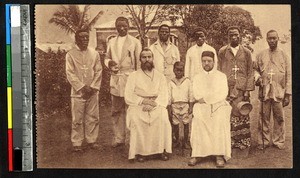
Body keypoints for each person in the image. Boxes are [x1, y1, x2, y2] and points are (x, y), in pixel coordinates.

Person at [124, 48, 172, 162]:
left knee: (162, 117)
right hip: (139, 104)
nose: (147, 59)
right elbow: (128, 95)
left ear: (153, 58)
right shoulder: (133, 76)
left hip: (156, 104)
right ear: (140, 59)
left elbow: (164, 93)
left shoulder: (160, 76)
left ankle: (160, 150)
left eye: (149, 57)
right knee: (137, 118)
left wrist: (154, 104)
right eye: (144, 57)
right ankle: (141, 152)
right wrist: (143, 101)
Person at [188, 51, 231, 167]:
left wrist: (207, 98)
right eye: (204, 61)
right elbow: (197, 94)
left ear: (214, 61)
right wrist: (208, 98)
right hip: (202, 106)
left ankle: (218, 154)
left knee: (219, 119)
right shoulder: (197, 77)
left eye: (209, 61)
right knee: (199, 119)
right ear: (201, 62)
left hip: (218, 105)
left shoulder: (221, 76)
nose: (206, 63)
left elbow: (223, 94)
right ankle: (197, 153)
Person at [104, 17, 142, 148]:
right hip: (116, 79)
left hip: (130, 79)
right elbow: (106, 57)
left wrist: (138, 81)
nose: (122, 28)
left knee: (132, 109)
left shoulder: (135, 42)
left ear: (128, 26)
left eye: (124, 26)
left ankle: (133, 139)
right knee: (116, 110)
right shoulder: (111, 41)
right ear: (116, 27)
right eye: (119, 26)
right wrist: (110, 63)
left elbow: (138, 63)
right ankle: (119, 138)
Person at [218, 26, 254, 151]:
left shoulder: (247, 52)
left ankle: (242, 141)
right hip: (226, 88)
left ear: (240, 35)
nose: (234, 37)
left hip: (241, 89)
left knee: (241, 113)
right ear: (228, 37)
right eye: (231, 35)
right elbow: (219, 69)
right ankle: (229, 141)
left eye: (236, 35)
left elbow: (250, 72)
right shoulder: (222, 51)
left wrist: (247, 90)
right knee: (227, 114)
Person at [66, 29, 102, 152]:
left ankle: (92, 140)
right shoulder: (70, 54)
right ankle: (77, 143)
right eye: (82, 37)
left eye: (87, 37)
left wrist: (92, 87)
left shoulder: (94, 53)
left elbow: (98, 71)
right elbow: (70, 73)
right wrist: (82, 87)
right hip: (78, 92)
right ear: (76, 39)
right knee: (77, 118)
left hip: (92, 91)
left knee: (93, 117)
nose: (85, 39)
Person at [254, 30, 291, 150]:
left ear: (278, 39)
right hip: (265, 90)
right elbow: (255, 70)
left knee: (279, 117)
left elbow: (289, 75)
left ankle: (278, 141)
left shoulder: (284, 55)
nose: (272, 40)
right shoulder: (261, 55)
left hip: (279, 91)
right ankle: (263, 141)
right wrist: (258, 77)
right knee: (263, 117)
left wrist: (288, 93)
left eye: (274, 38)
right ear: (266, 39)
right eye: (270, 38)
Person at [168, 61, 193, 149]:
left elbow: (191, 94)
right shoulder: (171, 82)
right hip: (175, 105)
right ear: (173, 70)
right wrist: (170, 106)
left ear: (183, 71)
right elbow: (169, 95)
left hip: (185, 104)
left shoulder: (187, 81)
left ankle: (186, 141)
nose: (179, 72)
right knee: (175, 123)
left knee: (186, 123)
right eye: (177, 70)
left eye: (181, 70)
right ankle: (178, 140)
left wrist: (190, 105)